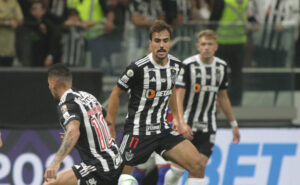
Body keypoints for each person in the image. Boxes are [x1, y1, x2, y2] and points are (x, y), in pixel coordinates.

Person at [106, 20, 207, 185]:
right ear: (150, 43)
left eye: (165, 40)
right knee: (120, 178)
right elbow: (116, 93)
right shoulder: (137, 68)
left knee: (198, 166)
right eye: (157, 41)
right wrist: (110, 125)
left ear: (170, 42)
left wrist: (178, 120)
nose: (161, 45)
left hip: (162, 130)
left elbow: (171, 90)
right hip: (138, 132)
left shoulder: (175, 65)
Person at [164, 29, 241, 185]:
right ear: (198, 46)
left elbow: (223, 97)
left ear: (216, 47)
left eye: (210, 44)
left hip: (208, 128)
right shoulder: (188, 65)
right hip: (187, 126)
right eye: (204, 44)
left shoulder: (221, 67)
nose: (206, 47)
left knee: (198, 169)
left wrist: (234, 124)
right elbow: (179, 95)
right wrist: (180, 121)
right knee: (177, 171)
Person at [44, 63, 123, 185]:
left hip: (99, 168)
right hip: (115, 159)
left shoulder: (67, 104)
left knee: (50, 183)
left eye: (48, 84)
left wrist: (56, 162)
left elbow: (73, 131)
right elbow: (108, 120)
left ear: (53, 82)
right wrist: (107, 144)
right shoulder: (87, 96)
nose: (49, 87)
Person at [209, 0, 249, 106]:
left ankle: (216, 102)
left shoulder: (223, 1)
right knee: (237, 75)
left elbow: (213, 21)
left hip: (222, 42)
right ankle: (236, 102)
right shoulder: (245, 2)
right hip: (239, 42)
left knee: (218, 73)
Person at [0, 0, 23, 67]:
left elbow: (21, 20)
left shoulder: (13, 2)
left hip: (10, 41)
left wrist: (15, 22)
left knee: (8, 65)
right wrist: (8, 22)